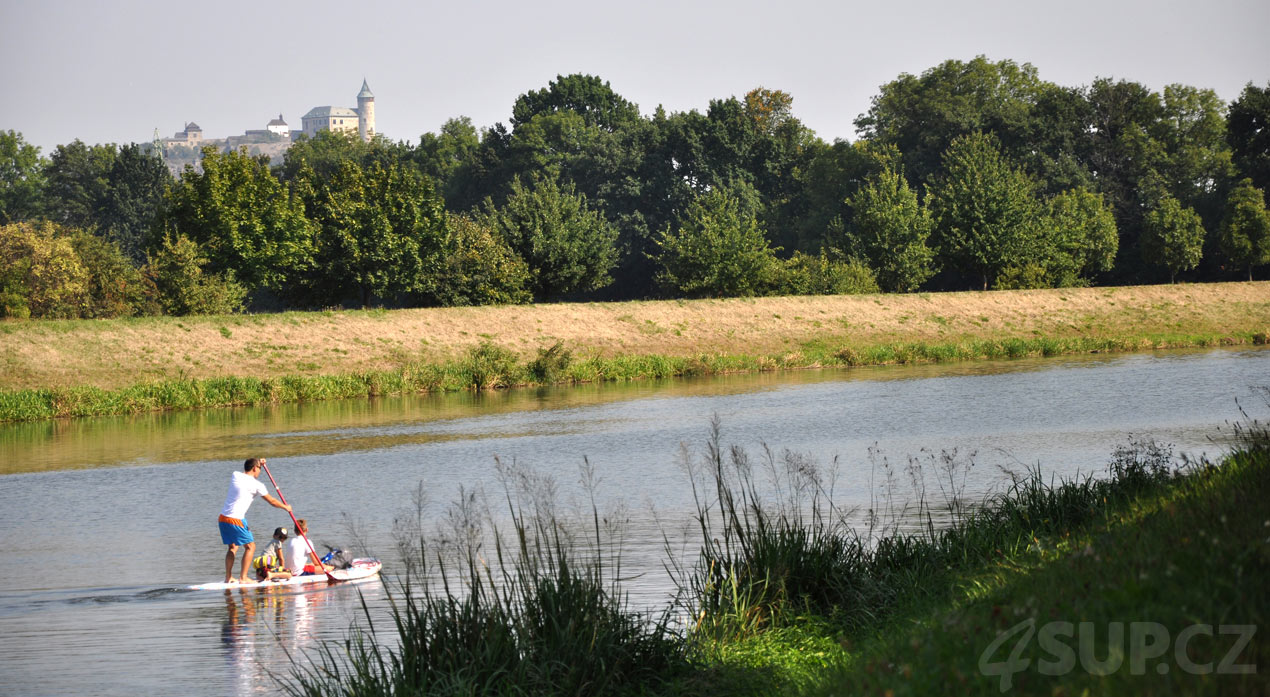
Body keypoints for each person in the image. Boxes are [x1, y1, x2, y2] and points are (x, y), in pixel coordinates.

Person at [219, 457, 291, 584]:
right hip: (236, 520)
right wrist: (286, 507)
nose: (260, 472)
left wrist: (259, 462)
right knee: (251, 547)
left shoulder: (235, 475)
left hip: (223, 518)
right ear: (254, 468)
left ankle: (228, 577)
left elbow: (250, 465)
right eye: (259, 469)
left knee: (233, 547)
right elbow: (272, 501)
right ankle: (243, 578)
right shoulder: (257, 485)